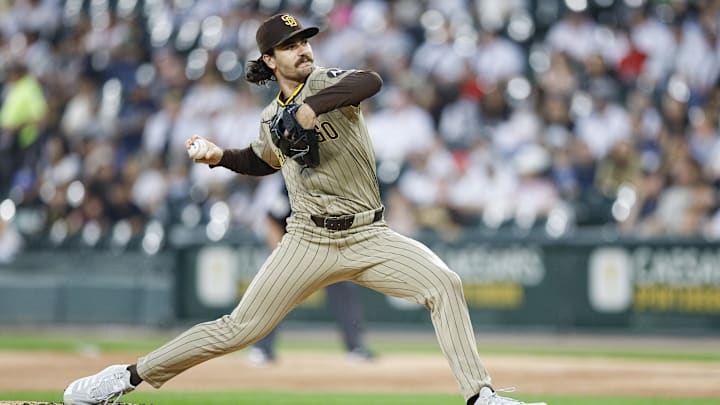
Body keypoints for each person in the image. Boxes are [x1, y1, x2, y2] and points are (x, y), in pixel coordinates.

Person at [63, 13, 547, 405]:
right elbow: (262, 159)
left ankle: (480, 397)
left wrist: (312, 109)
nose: (304, 49)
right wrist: (220, 157)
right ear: (270, 59)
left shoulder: (328, 83)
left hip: (370, 235)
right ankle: (125, 377)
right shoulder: (271, 117)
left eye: (306, 41)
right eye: (292, 45)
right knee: (236, 329)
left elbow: (370, 80)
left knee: (445, 283)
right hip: (309, 240)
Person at [248, 182, 375, 365]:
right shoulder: (294, 186)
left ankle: (356, 347)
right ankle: (261, 348)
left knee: (345, 290)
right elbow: (272, 220)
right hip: (296, 249)